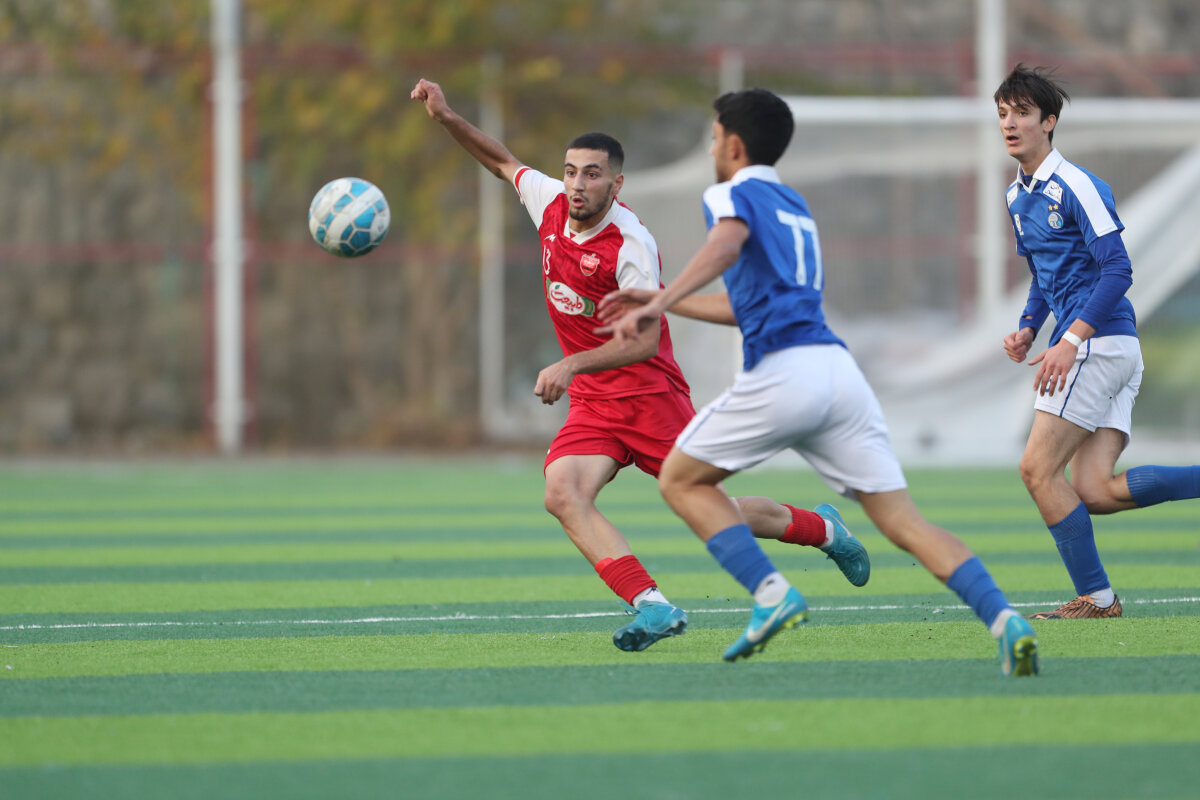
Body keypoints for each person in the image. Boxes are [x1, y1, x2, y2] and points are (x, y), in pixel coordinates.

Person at [409, 78, 870, 653]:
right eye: (571, 172)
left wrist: (571, 364)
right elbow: (502, 162)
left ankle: (822, 528)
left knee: (715, 509)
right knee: (562, 493)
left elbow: (646, 343)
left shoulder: (630, 244)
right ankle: (652, 605)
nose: (577, 184)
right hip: (594, 402)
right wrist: (446, 116)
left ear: (616, 183)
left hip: (650, 395)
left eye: (592, 174)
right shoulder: (549, 203)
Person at [597, 88, 1038, 676]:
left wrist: (660, 300)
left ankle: (771, 592)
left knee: (680, 480)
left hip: (785, 372)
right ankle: (1006, 621)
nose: (710, 149)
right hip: (839, 374)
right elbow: (745, 305)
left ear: (733, 145)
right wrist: (661, 299)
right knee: (904, 522)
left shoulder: (729, 192)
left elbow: (725, 245)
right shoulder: (793, 204)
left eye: (713, 138)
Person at [995, 64, 1200, 620]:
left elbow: (1118, 269)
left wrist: (1070, 340)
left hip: (1098, 345)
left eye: (1021, 113)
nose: (1009, 124)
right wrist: (1029, 327)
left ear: (1049, 121)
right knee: (1095, 491)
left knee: (1037, 471)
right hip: (1104, 347)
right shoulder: (1017, 195)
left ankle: (1098, 598)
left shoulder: (1076, 184)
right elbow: (1044, 274)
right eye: (1003, 114)